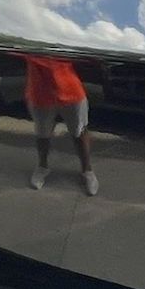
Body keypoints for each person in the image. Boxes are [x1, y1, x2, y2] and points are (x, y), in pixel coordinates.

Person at [23, 54, 97, 197]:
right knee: (42, 134)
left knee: (79, 132)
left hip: (71, 92)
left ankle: (87, 170)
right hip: (40, 94)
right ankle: (42, 167)